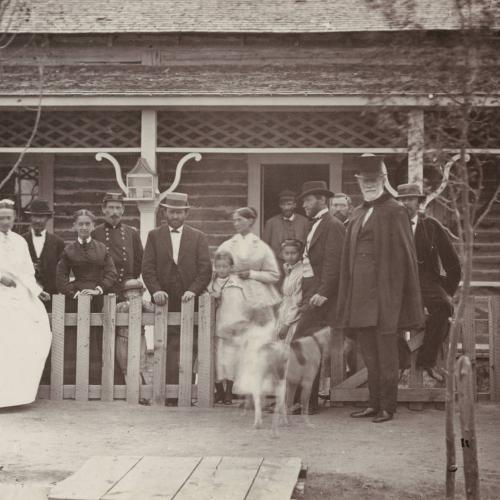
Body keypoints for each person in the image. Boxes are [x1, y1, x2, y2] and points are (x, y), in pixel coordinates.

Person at [337, 156, 424, 423]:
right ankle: (373, 404)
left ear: (383, 181)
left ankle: (388, 407)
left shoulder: (394, 210)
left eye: (374, 181)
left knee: (387, 357)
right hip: (361, 300)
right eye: (365, 181)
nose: (369, 185)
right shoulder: (358, 212)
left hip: (386, 299)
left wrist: (397, 300)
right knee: (370, 358)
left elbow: (404, 260)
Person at [142, 192, 212, 390]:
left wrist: (193, 291)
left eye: (179, 212)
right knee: (165, 342)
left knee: (189, 342)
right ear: (165, 212)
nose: (175, 216)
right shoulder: (154, 235)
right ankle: (167, 389)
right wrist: (155, 290)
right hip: (164, 297)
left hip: (189, 297)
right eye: (171, 212)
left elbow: (205, 269)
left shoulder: (199, 237)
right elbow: (147, 267)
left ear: (186, 213)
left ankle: (185, 390)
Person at [397, 183, 461, 381]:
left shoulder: (431, 226)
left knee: (444, 307)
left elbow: (452, 261)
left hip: (426, 280)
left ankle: (427, 361)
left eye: (410, 199)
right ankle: (402, 362)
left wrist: (446, 290)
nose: (406, 203)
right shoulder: (392, 226)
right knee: (386, 315)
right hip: (398, 282)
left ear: (419, 202)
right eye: (403, 199)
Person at [292, 181, 345, 414]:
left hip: (320, 299)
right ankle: (305, 402)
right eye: (303, 201)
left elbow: (335, 262)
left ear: (322, 200)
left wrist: (323, 293)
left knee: (304, 346)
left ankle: (305, 403)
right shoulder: (314, 225)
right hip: (310, 296)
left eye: (308, 200)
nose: (304, 204)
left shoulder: (332, 225)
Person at [0, 199, 52, 408]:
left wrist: (38, 292)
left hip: (17, 296)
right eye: (1, 218)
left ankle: (16, 396)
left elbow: (26, 273)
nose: (5, 222)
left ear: (14, 219)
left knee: (25, 339)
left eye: (8, 218)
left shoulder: (19, 242)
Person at [56, 209, 117, 383]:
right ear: (74, 226)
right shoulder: (69, 250)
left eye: (87, 224)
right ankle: (72, 380)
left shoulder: (102, 248)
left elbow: (111, 273)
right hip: (75, 299)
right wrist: (75, 294)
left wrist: (98, 289)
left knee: (97, 337)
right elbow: (60, 277)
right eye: (80, 224)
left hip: (97, 299)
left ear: (92, 226)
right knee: (74, 338)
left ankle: (96, 379)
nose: (84, 227)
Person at [217, 207, 281, 315]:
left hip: (257, 297)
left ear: (250, 221)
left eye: (239, 220)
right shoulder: (226, 246)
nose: (236, 224)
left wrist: (252, 274)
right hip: (233, 295)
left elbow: (274, 275)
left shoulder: (262, 247)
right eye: (234, 220)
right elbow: (217, 270)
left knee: (256, 329)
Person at [208, 251, 247, 405]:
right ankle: (219, 390)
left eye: (225, 266)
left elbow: (239, 306)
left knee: (230, 359)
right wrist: (213, 296)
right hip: (214, 328)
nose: (221, 269)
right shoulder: (211, 283)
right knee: (216, 360)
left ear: (231, 267)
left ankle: (229, 392)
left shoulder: (236, 284)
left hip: (229, 327)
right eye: (218, 266)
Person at [92, 192, 143, 298]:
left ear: (123, 210)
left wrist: (130, 280)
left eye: (118, 208)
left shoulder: (131, 232)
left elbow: (139, 260)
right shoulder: (95, 233)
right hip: (103, 288)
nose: (114, 212)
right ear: (103, 209)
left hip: (127, 288)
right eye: (111, 207)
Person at [22, 198, 65, 309]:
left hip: (50, 298)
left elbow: (62, 271)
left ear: (47, 218)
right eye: (35, 216)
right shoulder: (21, 241)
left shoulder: (58, 243)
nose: (37, 220)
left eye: (41, 217)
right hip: (26, 297)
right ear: (30, 218)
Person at [115, 279, 154, 387]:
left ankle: (142, 392)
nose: (133, 294)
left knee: (141, 365)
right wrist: (128, 305)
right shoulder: (120, 305)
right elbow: (107, 312)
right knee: (125, 366)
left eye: (136, 291)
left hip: (139, 338)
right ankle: (130, 390)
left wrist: (141, 302)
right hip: (122, 338)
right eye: (130, 292)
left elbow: (154, 310)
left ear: (141, 293)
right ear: (125, 294)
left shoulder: (144, 305)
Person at [262, 190, 309, 264]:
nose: (286, 207)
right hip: (277, 265)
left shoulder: (304, 222)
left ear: (295, 205)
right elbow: (264, 247)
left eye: (289, 204)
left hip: (299, 265)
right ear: (280, 206)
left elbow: (308, 244)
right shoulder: (271, 223)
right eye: (283, 205)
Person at [276, 239, 304, 345]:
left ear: (300, 254)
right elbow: (286, 294)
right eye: (286, 253)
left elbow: (297, 302)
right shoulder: (288, 269)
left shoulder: (301, 273)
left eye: (293, 253)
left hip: (293, 316)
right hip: (284, 311)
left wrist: (287, 324)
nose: (290, 256)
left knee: (289, 345)